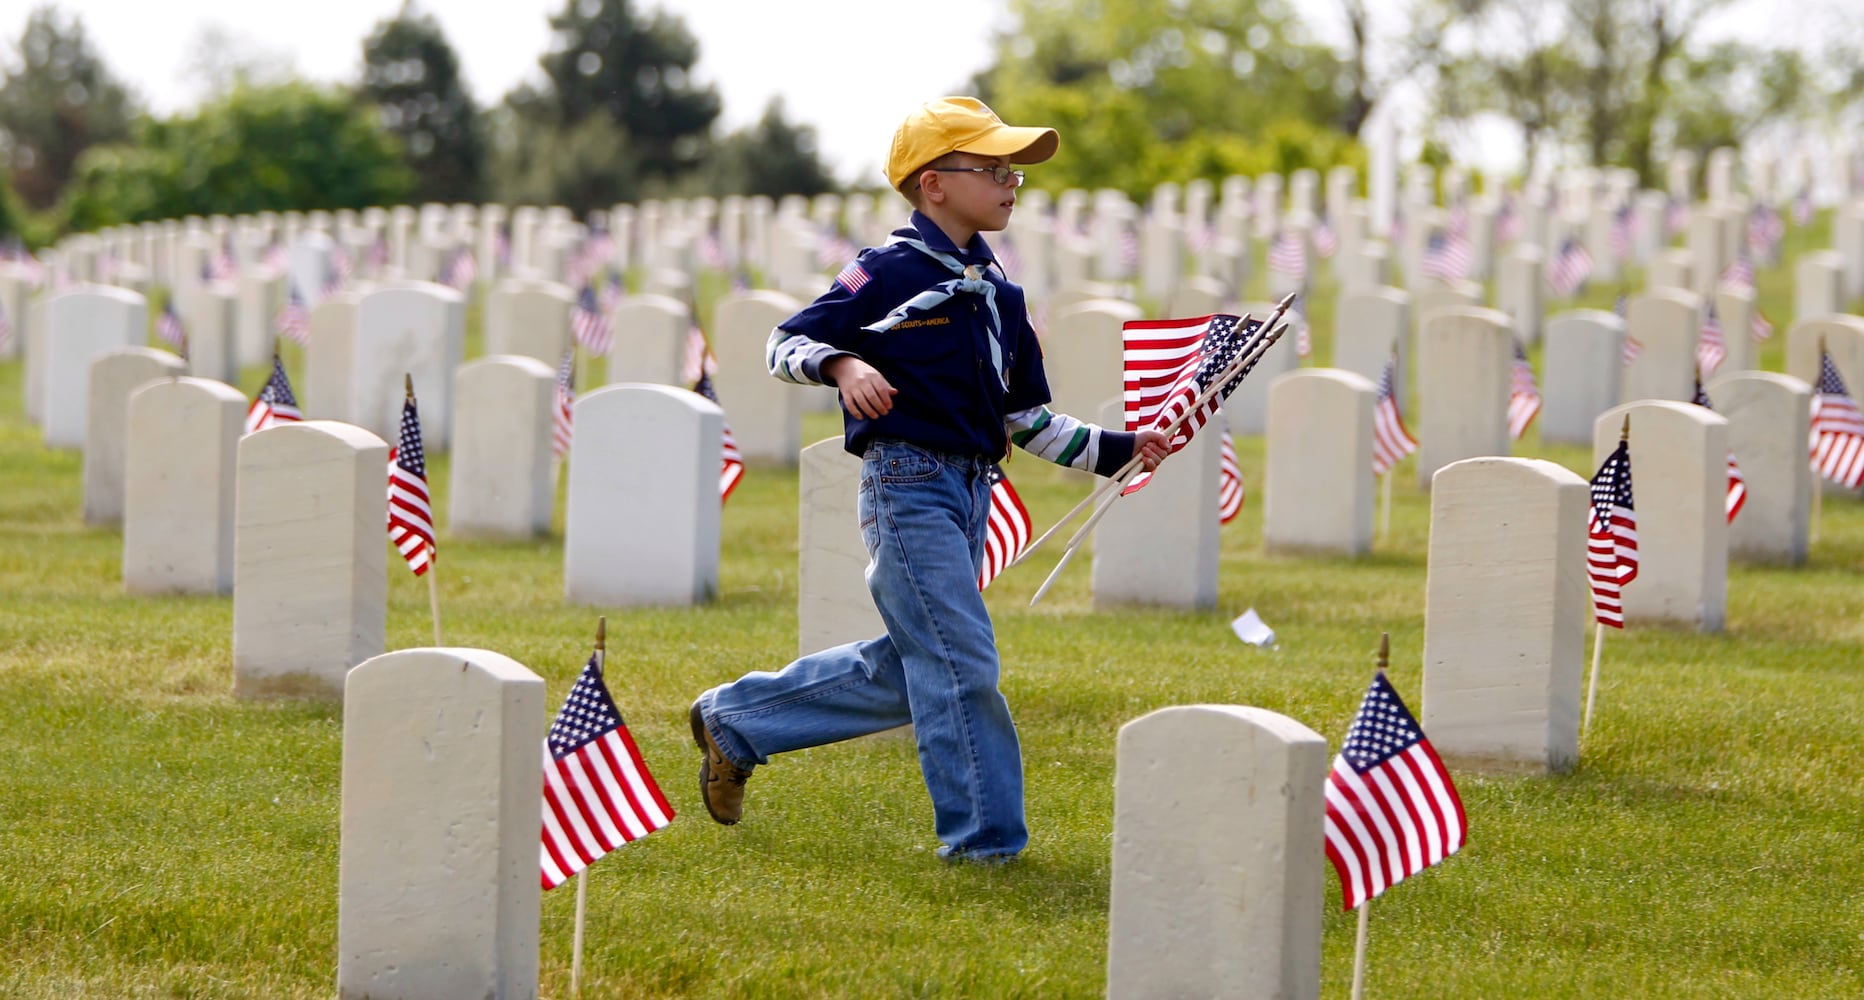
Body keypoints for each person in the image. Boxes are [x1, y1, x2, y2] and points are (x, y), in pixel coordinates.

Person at [689, 96, 1169, 863]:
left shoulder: (1001, 295)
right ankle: (985, 847)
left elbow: (1028, 420)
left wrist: (1122, 448)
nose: (1013, 182)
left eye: (1015, 170)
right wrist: (843, 364)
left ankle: (735, 721)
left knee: (914, 664)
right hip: (907, 486)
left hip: (973, 494)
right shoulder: (886, 273)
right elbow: (786, 343)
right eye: (994, 168)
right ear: (934, 183)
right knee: (962, 661)